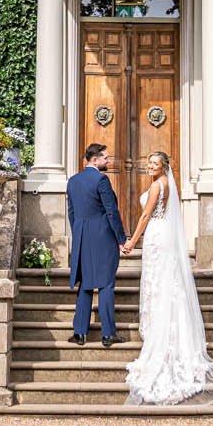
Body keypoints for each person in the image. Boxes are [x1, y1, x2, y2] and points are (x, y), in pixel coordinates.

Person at [120, 151, 213, 406]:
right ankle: (167, 328)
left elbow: (145, 216)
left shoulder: (156, 188)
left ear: (164, 167)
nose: (151, 167)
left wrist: (131, 242)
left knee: (158, 282)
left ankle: (161, 333)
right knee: (164, 282)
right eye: (149, 163)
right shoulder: (168, 186)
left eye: (155, 164)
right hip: (163, 236)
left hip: (155, 236)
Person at [65, 142, 126, 346]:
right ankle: (108, 334)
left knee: (86, 284)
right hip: (103, 236)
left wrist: (79, 233)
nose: (108, 161)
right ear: (95, 160)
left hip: (82, 236)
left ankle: (79, 333)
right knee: (106, 283)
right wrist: (121, 239)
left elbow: (71, 213)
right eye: (105, 158)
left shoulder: (72, 181)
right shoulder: (101, 180)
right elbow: (111, 211)